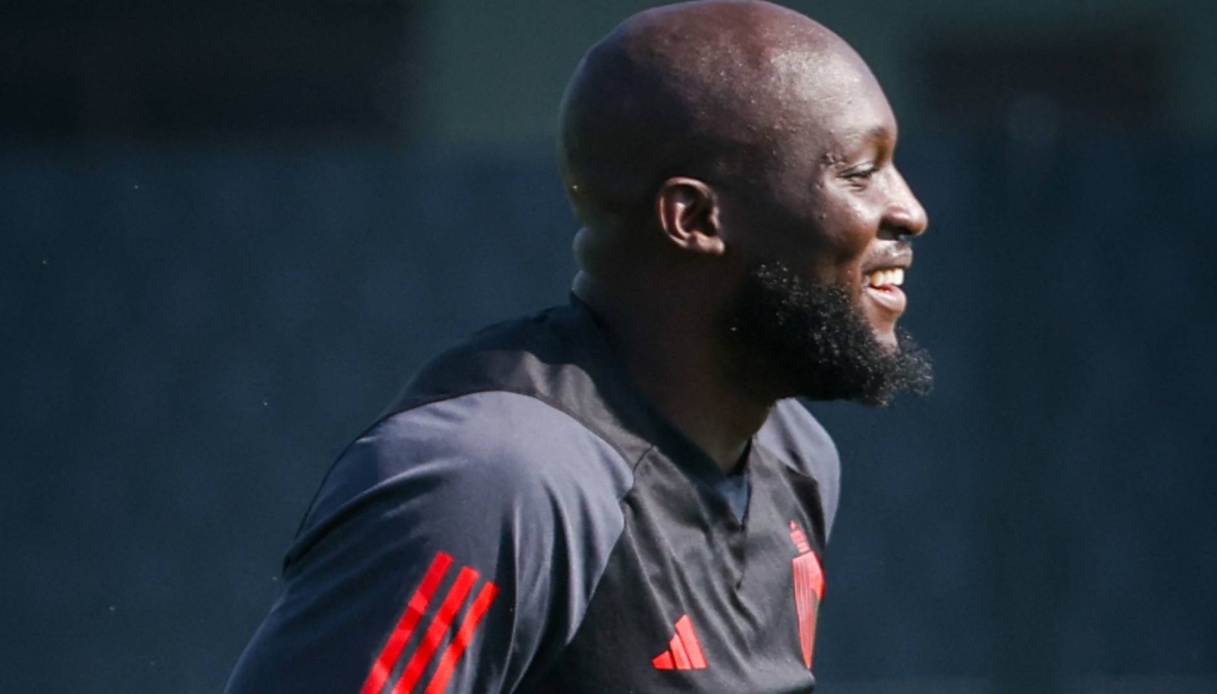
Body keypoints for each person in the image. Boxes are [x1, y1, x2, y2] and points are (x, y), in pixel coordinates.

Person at [225, 0, 931, 692]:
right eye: (859, 172)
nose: (910, 211)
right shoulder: (492, 483)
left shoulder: (794, 456)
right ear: (693, 219)